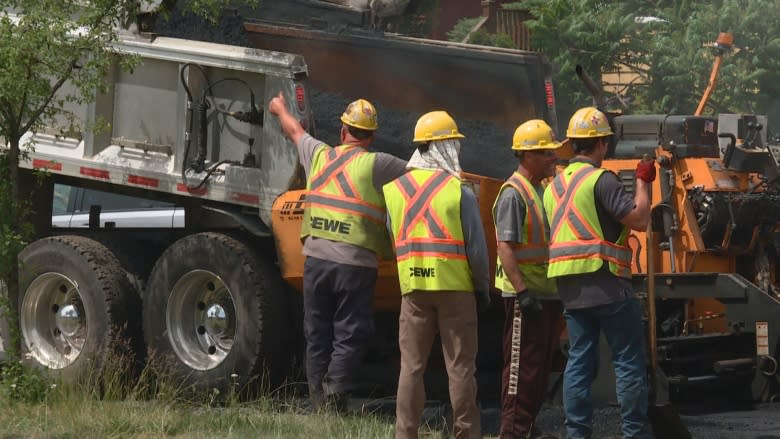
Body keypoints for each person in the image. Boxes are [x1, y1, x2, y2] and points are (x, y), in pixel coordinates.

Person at [268, 93, 407, 411]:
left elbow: (294, 131)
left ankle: (319, 400)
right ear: (371, 136)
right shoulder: (379, 163)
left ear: (343, 131)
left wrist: (279, 109)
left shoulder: (319, 154)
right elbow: (419, 173)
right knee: (350, 330)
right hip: (355, 264)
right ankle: (336, 392)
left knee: (317, 331)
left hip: (316, 260)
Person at [543, 107, 655, 439]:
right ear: (602, 145)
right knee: (627, 362)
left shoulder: (554, 187)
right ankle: (634, 433)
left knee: (578, 361)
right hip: (607, 285)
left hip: (570, 290)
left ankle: (576, 434)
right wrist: (643, 181)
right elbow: (640, 220)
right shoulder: (599, 179)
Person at [383, 111, 490, 439]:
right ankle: (465, 434)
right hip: (456, 290)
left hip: (413, 288)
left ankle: (406, 434)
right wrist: (482, 288)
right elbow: (477, 250)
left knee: (411, 368)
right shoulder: (460, 191)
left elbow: (394, 239)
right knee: (460, 369)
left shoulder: (394, 190)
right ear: (445, 146)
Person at [493, 120, 565, 439]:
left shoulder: (539, 190)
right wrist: (523, 293)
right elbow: (505, 247)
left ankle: (527, 429)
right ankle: (513, 433)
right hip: (525, 298)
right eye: (546, 152)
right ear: (527, 155)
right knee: (521, 372)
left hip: (543, 295)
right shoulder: (513, 193)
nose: (553, 157)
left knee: (537, 370)